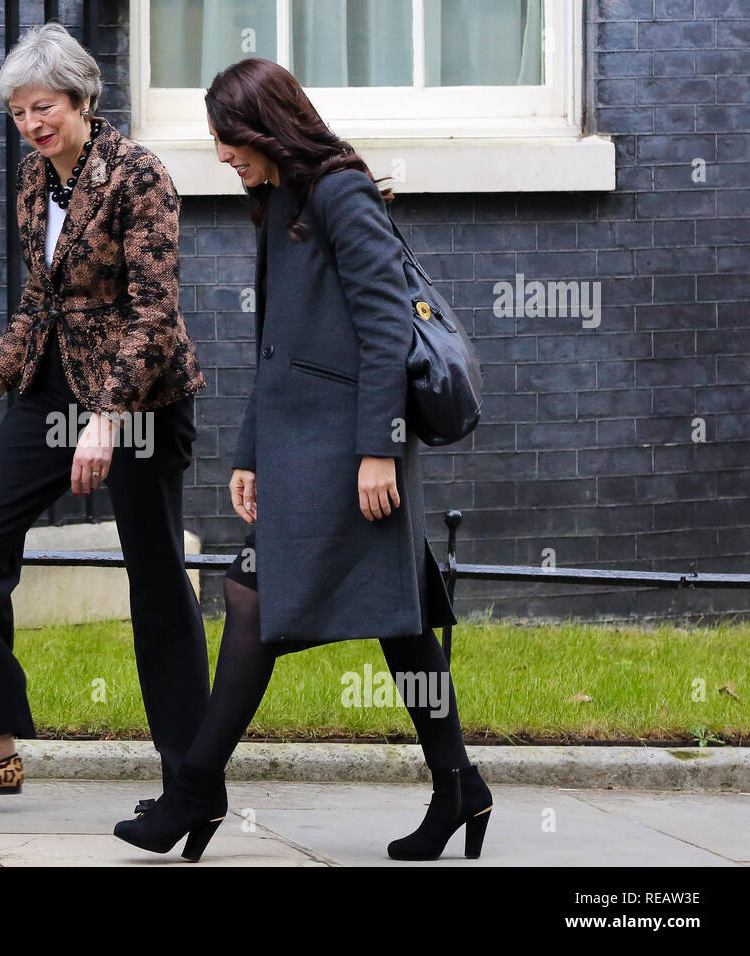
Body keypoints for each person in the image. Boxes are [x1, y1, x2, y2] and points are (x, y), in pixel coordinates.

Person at [113, 58, 493, 863]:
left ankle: (193, 790)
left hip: (348, 450)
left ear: (265, 126)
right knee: (401, 624)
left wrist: (379, 451)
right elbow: (277, 344)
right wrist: (249, 451)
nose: (221, 155)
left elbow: (388, 328)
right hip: (300, 448)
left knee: (251, 601)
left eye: (227, 138)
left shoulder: (341, 192)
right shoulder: (279, 197)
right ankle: (458, 783)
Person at [0, 23, 210, 797]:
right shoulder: (37, 182)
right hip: (52, 391)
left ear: (81, 100)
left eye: (45, 108)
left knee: (158, 579)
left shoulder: (140, 176)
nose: (33, 124)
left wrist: (107, 416)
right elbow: (40, 305)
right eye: (20, 113)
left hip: (139, 400)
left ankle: (190, 778)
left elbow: (154, 312)